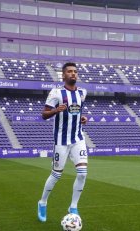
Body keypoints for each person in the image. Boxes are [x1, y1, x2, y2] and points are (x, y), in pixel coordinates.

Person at [38, 62, 88, 222]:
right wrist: (55, 110)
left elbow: (77, 112)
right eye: (69, 71)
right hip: (61, 141)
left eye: (75, 71)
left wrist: (82, 118)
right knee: (56, 175)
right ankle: (42, 202)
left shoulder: (82, 93)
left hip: (78, 138)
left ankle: (73, 206)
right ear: (63, 75)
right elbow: (44, 114)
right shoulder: (56, 93)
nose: (73, 74)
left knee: (82, 174)